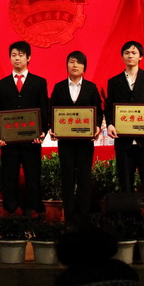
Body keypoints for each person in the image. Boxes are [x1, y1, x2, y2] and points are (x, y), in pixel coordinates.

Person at [0, 40, 50, 214]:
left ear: (28, 58)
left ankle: (32, 213)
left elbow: (44, 110)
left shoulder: (39, 82)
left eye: (20, 55)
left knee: (33, 177)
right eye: (13, 55)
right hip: (9, 142)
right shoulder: (2, 84)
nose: (17, 58)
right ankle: (10, 213)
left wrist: (42, 132)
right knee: (9, 178)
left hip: (31, 140)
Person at [105, 41, 144, 193]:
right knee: (125, 182)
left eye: (134, 53)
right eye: (127, 53)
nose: (130, 56)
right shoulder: (114, 81)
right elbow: (109, 107)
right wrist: (110, 124)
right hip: (123, 140)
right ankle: (128, 209)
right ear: (122, 57)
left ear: (141, 57)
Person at [49, 51, 102, 225]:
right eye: (72, 62)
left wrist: (96, 127)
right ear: (67, 65)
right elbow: (52, 111)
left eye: (79, 62)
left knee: (84, 178)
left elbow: (98, 112)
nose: (75, 65)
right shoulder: (59, 87)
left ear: (84, 67)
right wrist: (52, 128)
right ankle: (69, 218)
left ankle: (83, 217)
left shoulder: (91, 88)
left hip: (85, 142)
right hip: (66, 143)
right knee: (67, 178)